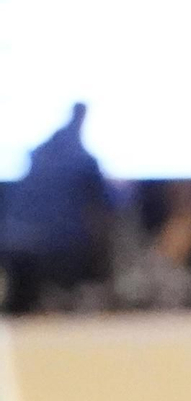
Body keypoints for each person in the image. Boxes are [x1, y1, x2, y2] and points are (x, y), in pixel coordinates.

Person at [0, 103, 113, 314]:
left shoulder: (39, 151)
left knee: (19, 308)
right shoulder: (83, 158)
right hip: (57, 244)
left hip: (11, 238)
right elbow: (109, 204)